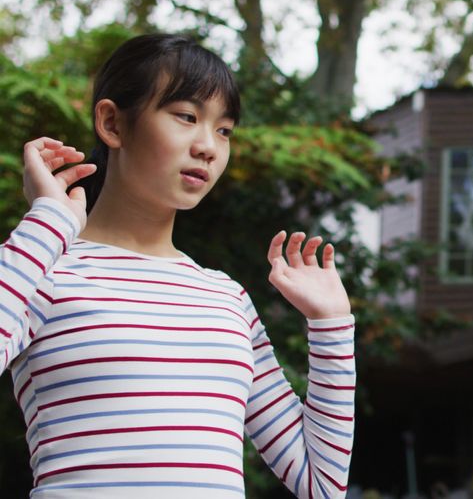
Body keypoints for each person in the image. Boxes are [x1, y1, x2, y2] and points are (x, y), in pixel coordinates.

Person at [2, 34, 355, 497]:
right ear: (112, 123)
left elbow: (321, 483)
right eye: (186, 117)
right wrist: (48, 221)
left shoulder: (226, 298)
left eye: (224, 130)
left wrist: (331, 324)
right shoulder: (41, 268)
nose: (208, 146)